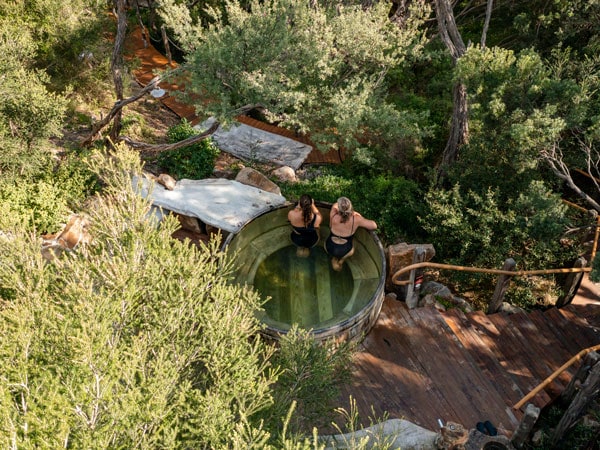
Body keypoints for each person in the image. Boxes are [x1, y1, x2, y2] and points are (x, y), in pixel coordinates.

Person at [325, 197, 377, 271]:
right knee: (354, 242)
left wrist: (343, 208)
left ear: (339, 209)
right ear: (351, 208)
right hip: (345, 250)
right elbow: (374, 226)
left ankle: (334, 258)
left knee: (334, 251)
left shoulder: (333, 215)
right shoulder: (356, 219)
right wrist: (359, 216)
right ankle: (342, 260)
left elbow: (335, 205)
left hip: (329, 246)